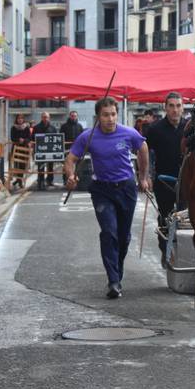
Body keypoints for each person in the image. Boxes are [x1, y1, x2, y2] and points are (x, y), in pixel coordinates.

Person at [64, 97, 151, 300]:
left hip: (126, 188)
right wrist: (70, 176)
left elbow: (143, 148)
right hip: (102, 190)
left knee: (123, 237)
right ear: (98, 117)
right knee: (109, 233)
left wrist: (143, 176)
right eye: (105, 115)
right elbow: (71, 159)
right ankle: (113, 280)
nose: (110, 119)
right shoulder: (88, 136)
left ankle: (117, 273)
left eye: (113, 114)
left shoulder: (128, 133)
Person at [145, 92, 187, 260]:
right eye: (171, 106)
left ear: (183, 107)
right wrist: (146, 175)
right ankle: (165, 249)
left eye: (178, 106)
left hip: (187, 180)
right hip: (163, 180)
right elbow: (144, 152)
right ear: (165, 107)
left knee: (186, 217)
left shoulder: (189, 127)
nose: (175, 110)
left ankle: (183, 251)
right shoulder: (155, 129)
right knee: (165, 216)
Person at [33, 112, 58, 190]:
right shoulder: (36, 127)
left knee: (50, 166)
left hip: (50, 151)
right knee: (40, 167)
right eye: (44, 117)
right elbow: (32, 138)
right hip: (40, 151)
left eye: (46, 117)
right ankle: (41, 181)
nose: (45, 118)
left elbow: (56, 139)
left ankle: (50, 181)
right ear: (41, 118)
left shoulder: (53, 128)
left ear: (49, 118)